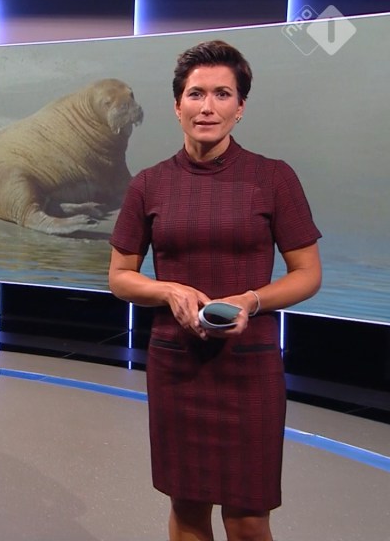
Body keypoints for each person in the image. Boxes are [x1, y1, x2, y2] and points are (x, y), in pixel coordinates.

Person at [108, 40, 322, 541]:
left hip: (250, 367)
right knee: (187, 510)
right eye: (196, 93)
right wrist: (168, 291)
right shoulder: (148, 185)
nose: (208, 107)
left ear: (240, 107)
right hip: (177, 366)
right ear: (176, 105)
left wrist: (251, 300)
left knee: (248, 519)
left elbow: (307, 273)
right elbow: (120, 276)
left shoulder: (273, 178)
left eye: (222, 94)